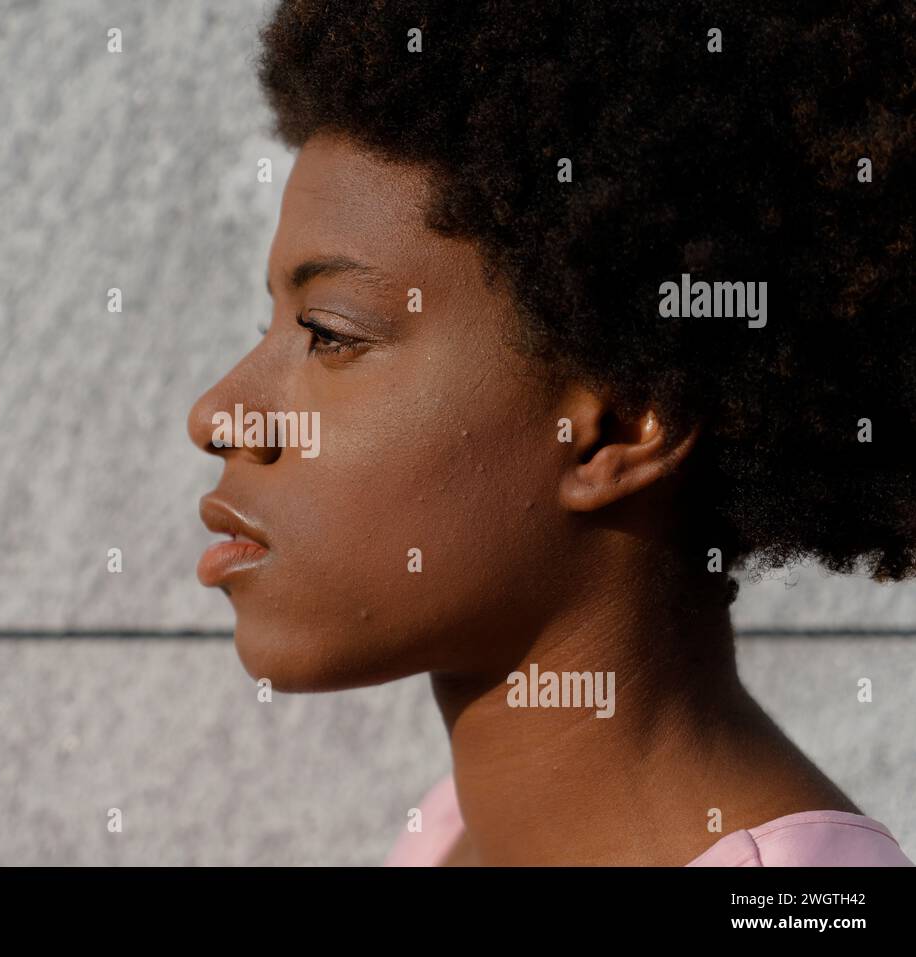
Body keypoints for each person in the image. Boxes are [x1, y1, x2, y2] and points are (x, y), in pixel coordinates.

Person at [188, 0, 915, 865]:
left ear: (616, 426)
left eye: (331, 332)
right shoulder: (455, 831)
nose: (217, 414)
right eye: (270, 323)